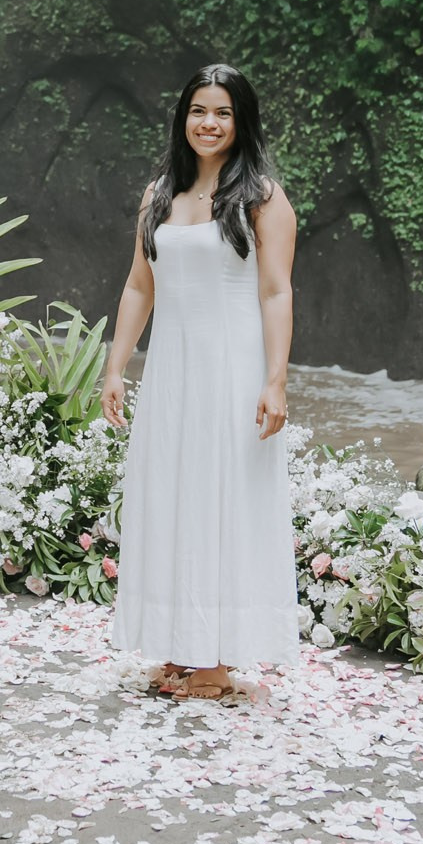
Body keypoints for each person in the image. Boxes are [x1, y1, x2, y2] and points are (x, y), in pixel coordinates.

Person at [97, 64, 299, 701]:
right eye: (198, 111)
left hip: (231, 370)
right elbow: (139, 285)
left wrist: (275, 379)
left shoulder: (262, 197)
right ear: (182, 119)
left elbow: (275, 291)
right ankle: (185, 647)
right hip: (172, 373)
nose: (208, 124)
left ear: (242, 123)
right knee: (176, 498)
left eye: (222, 113)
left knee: (223, 499)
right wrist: (115, 366)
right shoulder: (159, 194)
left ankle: (218, 661)